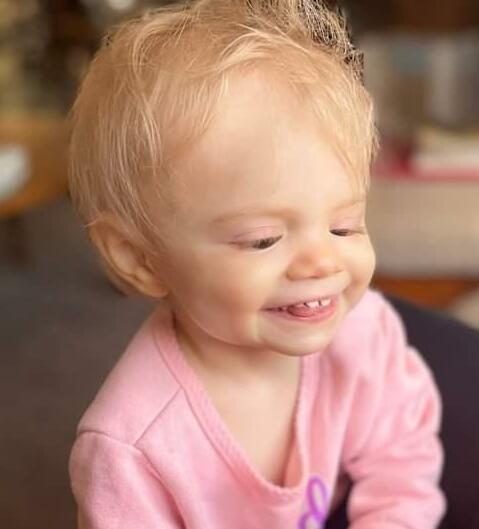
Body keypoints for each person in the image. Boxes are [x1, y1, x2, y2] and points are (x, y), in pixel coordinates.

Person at [67, 1, 445, 527]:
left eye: (344, 227)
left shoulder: (363, 333)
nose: (321, 261)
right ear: (140, 258)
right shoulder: (132, 450)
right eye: (262, 240)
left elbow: (400, 459)